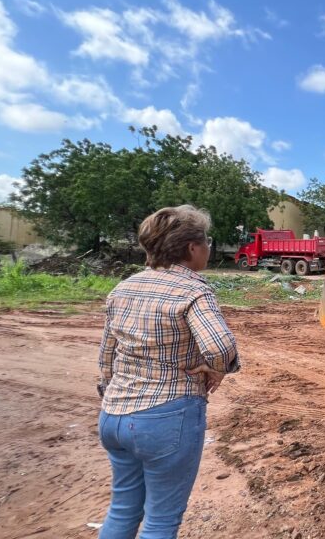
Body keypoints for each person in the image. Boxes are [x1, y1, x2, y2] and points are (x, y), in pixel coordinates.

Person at [97, 205, 239, 539]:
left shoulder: (123, 288)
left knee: (122, 510)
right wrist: (217, 368)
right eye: (207, 242)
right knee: (161, 522)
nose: (208, 249)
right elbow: (221, 348)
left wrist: (112, 394)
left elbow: (106, 357)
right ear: (192, 248)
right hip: (165, 418)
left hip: (113, 417)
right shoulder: (193, 290)